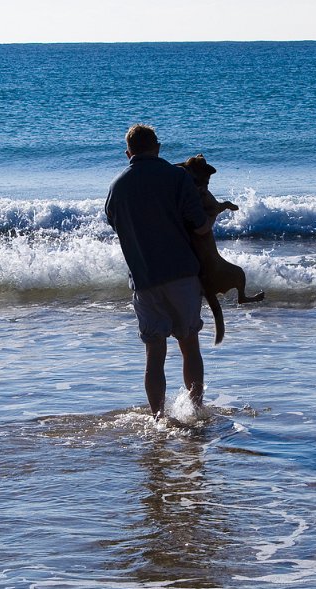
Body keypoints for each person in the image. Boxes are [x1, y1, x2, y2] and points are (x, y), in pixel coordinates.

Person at [105, 124, 214, 420]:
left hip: (144, 280)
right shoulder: (177, 177)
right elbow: (200, 226)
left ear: (128, 153)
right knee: (189, 345)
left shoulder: (117, 187)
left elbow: (115, 224)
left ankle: (158, 419)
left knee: (154, 355)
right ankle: (195, 410)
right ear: (158, 146)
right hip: (181, 274)